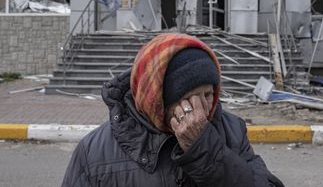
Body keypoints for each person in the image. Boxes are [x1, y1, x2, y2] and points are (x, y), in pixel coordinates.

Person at [61, 33, 285, 187]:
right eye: (189, 99)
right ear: (156, 100)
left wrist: (205, 152)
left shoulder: (232, 131)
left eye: (208, 95)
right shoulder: (94, 151)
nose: (203, 110)